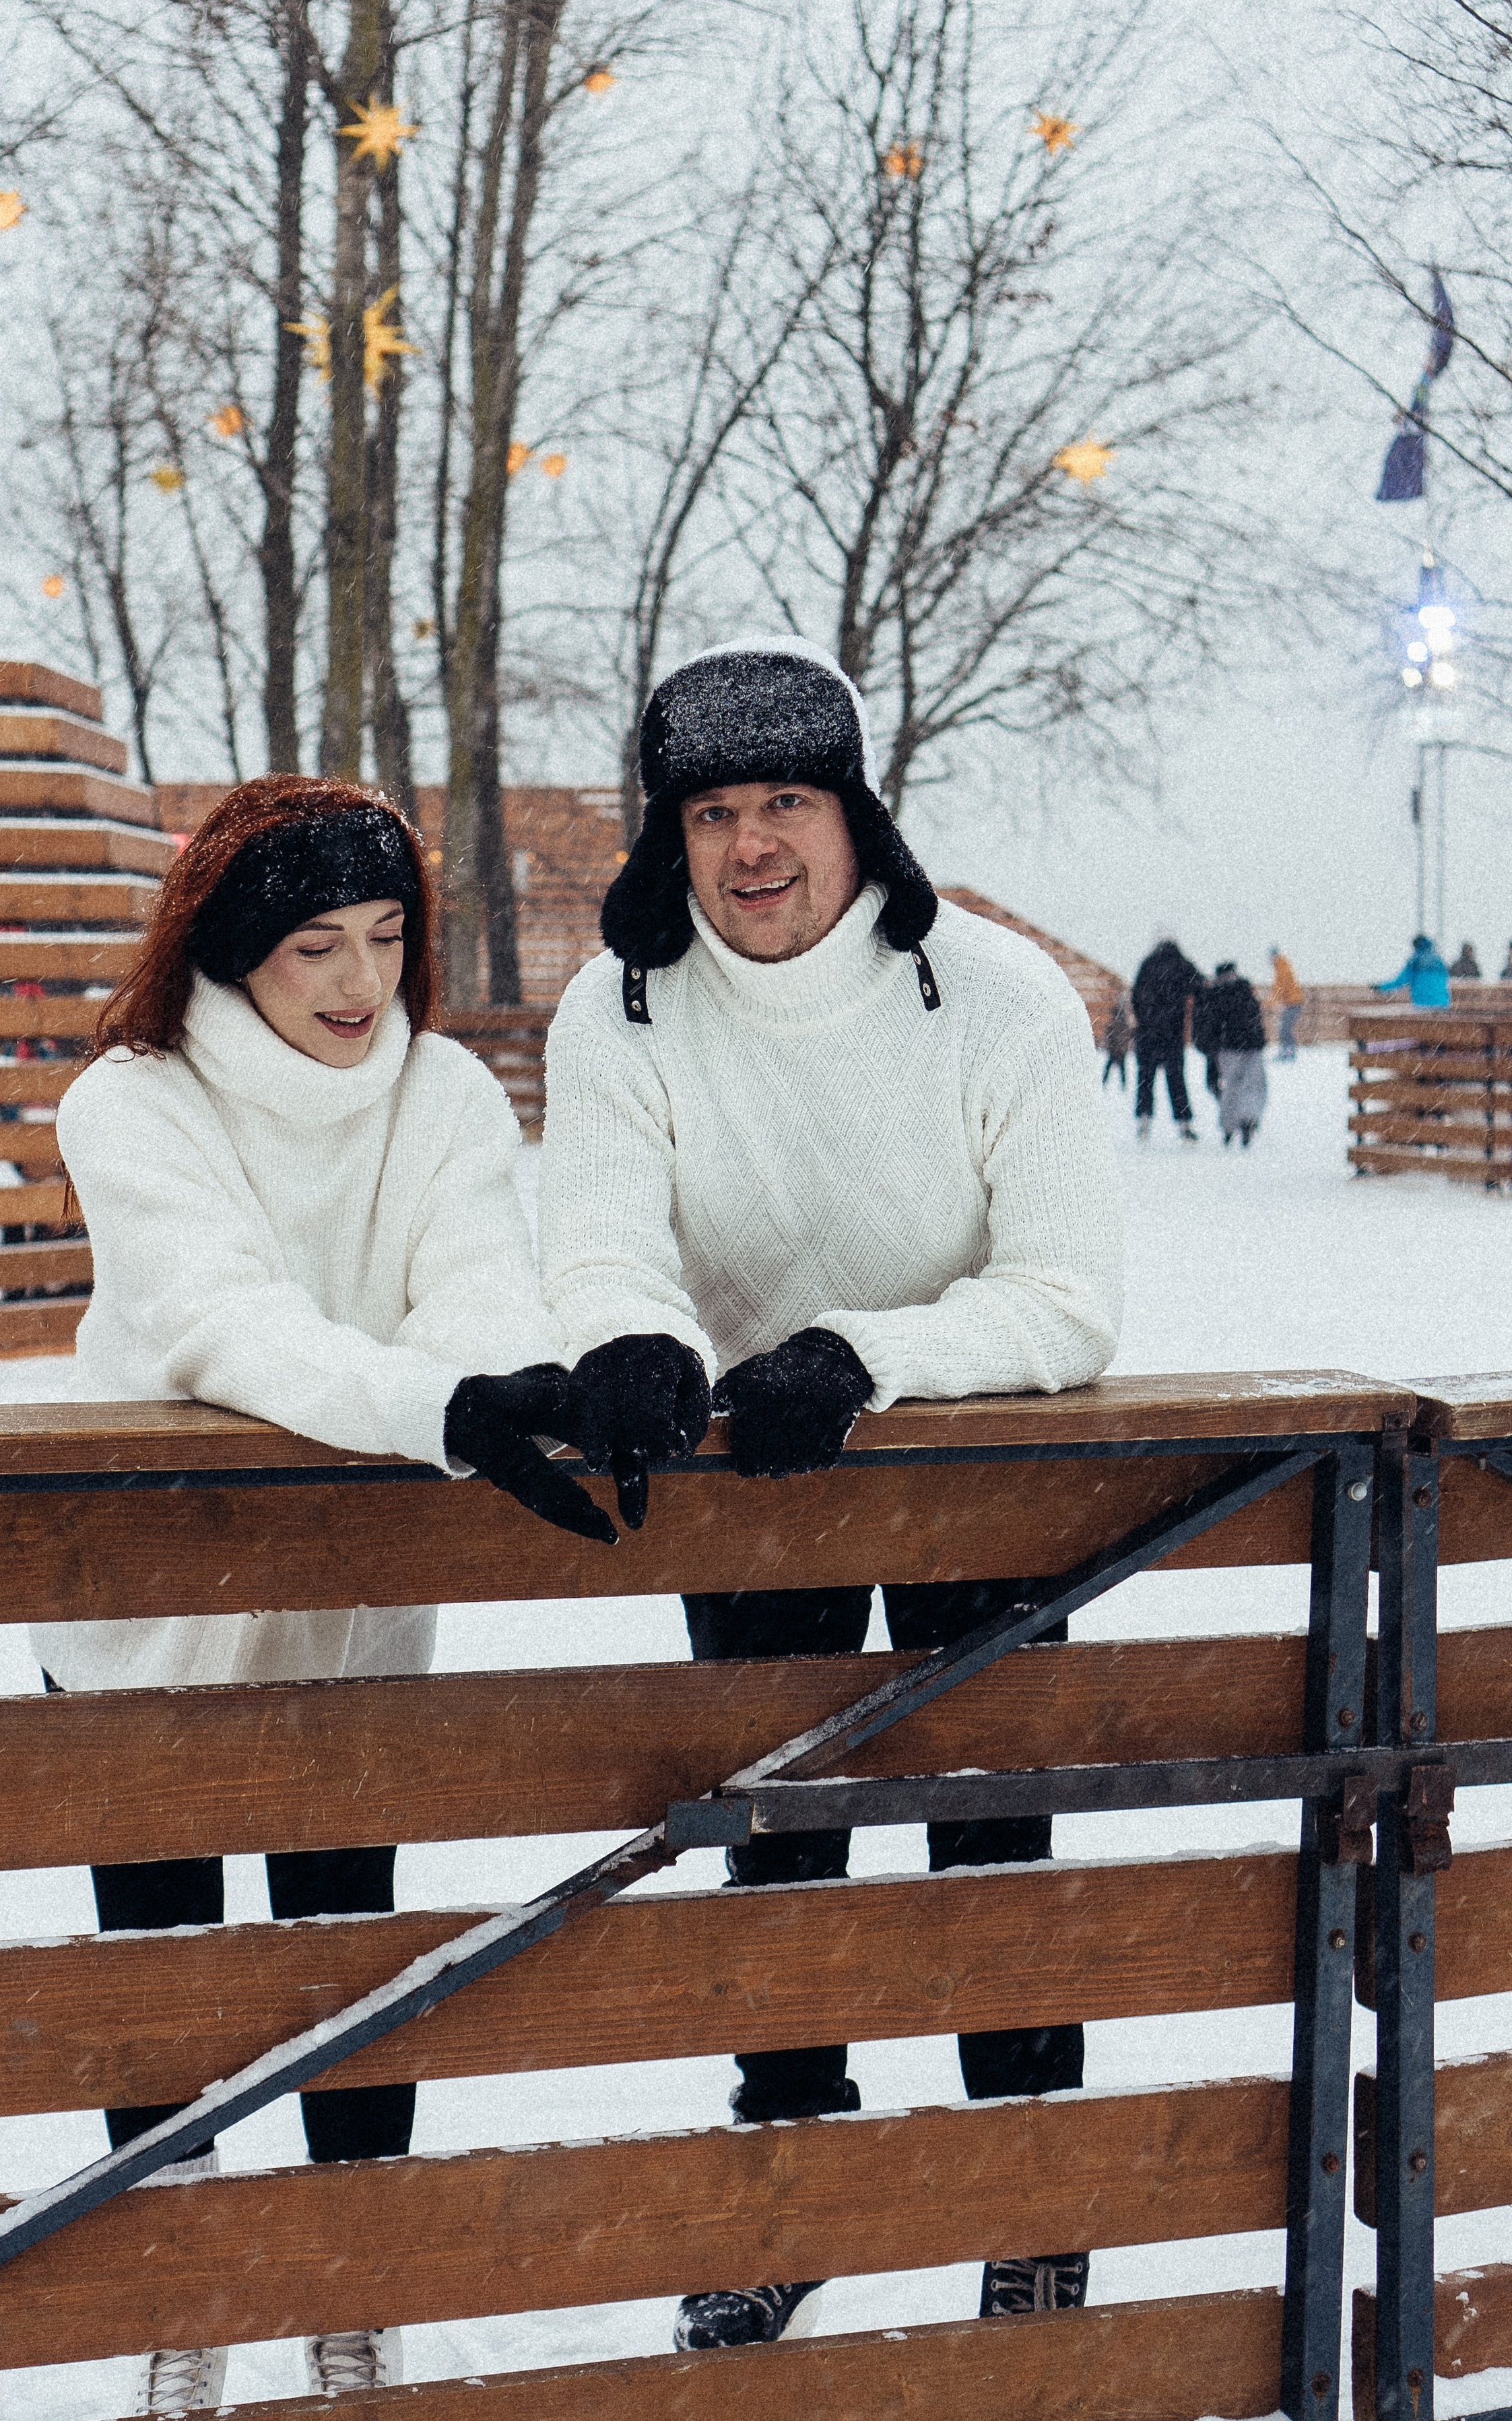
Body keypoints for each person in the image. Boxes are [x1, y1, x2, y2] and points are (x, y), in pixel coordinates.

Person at [539, 637, 1122, 2352]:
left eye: (785, 799)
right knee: (768, 1843)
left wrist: (860, 1353)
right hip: (757, 1488)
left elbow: (1072, 1293)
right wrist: (638, 1342)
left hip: (970, 1476)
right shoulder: (620, 1005)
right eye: (713, 809)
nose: (752, 845)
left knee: (990, 1851)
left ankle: (1031, 2201)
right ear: (674, 835)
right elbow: (596, 1239)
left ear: (852, 812)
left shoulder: (997, 995)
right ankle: (790, 2184)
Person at [42, 777, 613, 2417]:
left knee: (347, 1963)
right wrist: (440, 1408)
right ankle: (179, 2293)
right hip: (145, 1616)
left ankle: (349, 2291)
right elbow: (222, 1325)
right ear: (234, 953)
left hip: (356, 1610)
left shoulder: (436, 1092)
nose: (359, 979)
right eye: (315, 946)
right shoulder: (133, 1103)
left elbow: (478, 1282)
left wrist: (497, 1372)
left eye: (384, 937)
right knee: (163, 1977)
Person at [1130, 938, 1205, 1142]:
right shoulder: (1183, 965)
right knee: (1177, 1080)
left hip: (1148, 1033)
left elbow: (1135, 997)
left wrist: (1145, 1019)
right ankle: (1185, 1125)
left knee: (1145, 1079)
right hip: (1173, 1034)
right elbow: (1201, 989)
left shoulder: (1147, 965)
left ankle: (1144, 1123)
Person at [1193, 961, 1268, 1147]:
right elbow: (1255, 1019)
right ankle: (1248, 1120)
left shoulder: (1215, 995)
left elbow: (1207, 1025)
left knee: (1231, 1088)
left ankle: (1229, 1126)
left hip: (1228, 1048)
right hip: (1249, 1046)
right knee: (1253, 1085)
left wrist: (1210, 1047)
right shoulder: (1245, 991)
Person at [1375, 934, 1451, 1009]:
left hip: (1422, 1004)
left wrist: (1381, 987)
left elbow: (1400, 981)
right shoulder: (1439, 961)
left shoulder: (1415, 961)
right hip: (1443, 1004)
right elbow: (1445, 979)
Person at [1268, 946, 1303, 1060]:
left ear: (1275, 956)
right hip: (1291, 1003)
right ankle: (1288, 1051)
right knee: (1285, 1028)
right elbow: (1279, 987)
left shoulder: (1282, 967)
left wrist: (1270, 1003)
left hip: (1294, 1002)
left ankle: (1288, 1052)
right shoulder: (1281, 966)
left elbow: (1280, 987)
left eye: (1271, 957)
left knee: (1285, 1028)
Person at [1101, 990, 1133, 1087]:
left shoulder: (1118, 1023)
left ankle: (1119, 1085)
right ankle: (1109, 1083)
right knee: (1117, 1068)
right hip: (1117, 1049)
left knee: (1117, 1068)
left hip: (1117, 1049)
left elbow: (1125, 1035)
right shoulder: (1120, 1023)